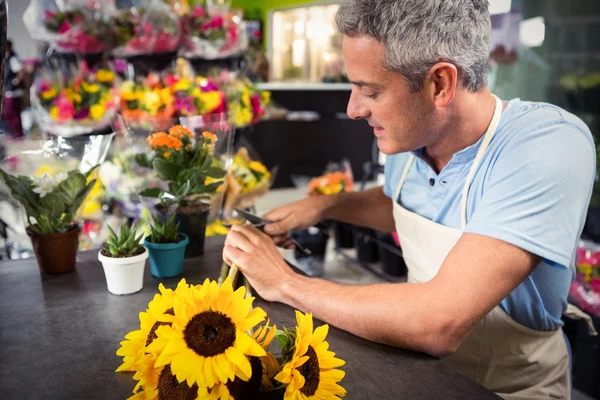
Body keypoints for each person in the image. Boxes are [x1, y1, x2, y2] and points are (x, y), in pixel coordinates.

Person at [223, 1, 597, 398]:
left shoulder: (546, 145)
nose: (353, 108)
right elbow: (404, 205)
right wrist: (324, 208)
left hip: (510, 391)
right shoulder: (411, 138)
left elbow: (439, 322)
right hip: (415, 376)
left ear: (439, 84)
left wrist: (285, 283)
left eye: (370, 91)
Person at [2, 40, 24, 138]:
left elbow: (21, 71)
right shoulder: (7, 58)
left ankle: (17, 134)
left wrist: (15, 81)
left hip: (13, 91)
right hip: (8, 90)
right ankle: (13, 133)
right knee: (9, 113)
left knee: (13, 113)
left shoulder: (13, 58)